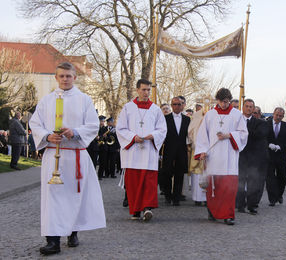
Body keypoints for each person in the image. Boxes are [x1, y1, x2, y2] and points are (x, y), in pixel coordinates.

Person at [30, 62, 106, 255]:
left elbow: (92, 125)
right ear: (56, 78)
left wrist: (75, 132)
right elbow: (35, 124)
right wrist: (47, 136)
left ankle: (73, 232)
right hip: (52, 156)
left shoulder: (84, 100)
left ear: (75, 77)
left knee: (74, 197)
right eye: (61, 76)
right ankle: (52, 240)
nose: (65, 79)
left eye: (68, 76)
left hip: (75, 156)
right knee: (53, 199)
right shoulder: (46, 101)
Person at [195, 88, 248, 225]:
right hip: (213, 156)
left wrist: (229, 135)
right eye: (222, 101)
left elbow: (243, 134)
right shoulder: (210, 115)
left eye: (227, 102)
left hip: (229, 156)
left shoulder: (237, 115)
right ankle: (212, 211)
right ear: (217, 100)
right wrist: (202, 151)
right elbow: (202, 135)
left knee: (228, 188)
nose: (224, 104)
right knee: (214, 187)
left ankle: (228, 215)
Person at [116, 78, 167, 221]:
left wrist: (154, 135)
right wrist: (132, 137)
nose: (146, 93)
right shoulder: (128, 108)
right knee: (134, 182)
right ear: (137, 90)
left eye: (148, 90)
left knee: (149, 181)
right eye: (144, 89)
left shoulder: (156, 109)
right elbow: (120, 128)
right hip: (133, 152)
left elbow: (162, 129)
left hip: (149, 150)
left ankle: (147, 208)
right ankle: (136, 210)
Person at [236, 99, 268, 215]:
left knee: (253, 182)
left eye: (251, 107)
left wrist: (242, 130)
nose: (249, 108)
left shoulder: (260, 123)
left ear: (253, 109)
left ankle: (252, 205)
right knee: (240, 180)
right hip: (240, 155)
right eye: (247, 106)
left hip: (254, 157)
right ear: (243, 107)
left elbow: (259, 135)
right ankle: (239, 204)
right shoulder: (236, 121)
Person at [161, 97, 190, 206]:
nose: (177, 106)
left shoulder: (187, 119)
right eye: (175, 104)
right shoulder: (165, 118)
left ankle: (177, 197)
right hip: (168, 149)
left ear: (183, 105)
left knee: (180, 174)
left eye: (179, 104)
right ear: (172, 105)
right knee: (167, 173)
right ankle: (168, 196)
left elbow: (190, 135)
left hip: (182, 150)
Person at [265, 107, 286, 206]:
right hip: (269, 155)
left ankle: (279, 195)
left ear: (283, 116)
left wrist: (280, 146)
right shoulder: (266, 124)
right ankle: (272, 199)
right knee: (270, 178)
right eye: (277, 115)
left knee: (282, 177)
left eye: (280, 116)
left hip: (281, 156)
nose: (278, 117)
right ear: (273, 114)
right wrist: (268, 144)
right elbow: (262, 137)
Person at [188, 108, 206, 206]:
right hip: (197, 148)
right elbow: (191, 133)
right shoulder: (196, 118)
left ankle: (207, 198)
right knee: (197, 173)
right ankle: (197, 198)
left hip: (209, 150)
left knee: (208, 173)